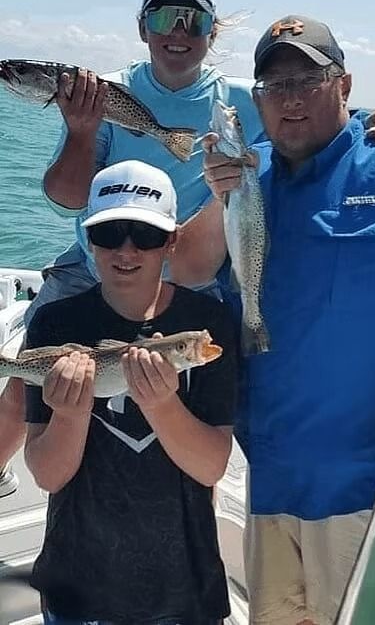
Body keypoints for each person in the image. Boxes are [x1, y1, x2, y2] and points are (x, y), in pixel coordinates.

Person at [0, 0, 375, 490]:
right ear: (143, 26)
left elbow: (320, 114)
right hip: (100, 261)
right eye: (164, 16)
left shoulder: (245, 97)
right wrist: (81, 132)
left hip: (195, 271)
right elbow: (66, 199)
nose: (178, 32)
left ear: (211, 30)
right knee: (21, 379)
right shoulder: (102, 91)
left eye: (192, 21)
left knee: (220, 380)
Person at [171, 13, 375, 625]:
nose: (290, 99)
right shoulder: (247, 173)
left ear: (344, 85)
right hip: (270, 487)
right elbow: (186, 268)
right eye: (273, 87)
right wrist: (220, 197)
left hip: (372, 500)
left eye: (308, 80)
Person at [24, 158, 237, 625]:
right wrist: (70, 414)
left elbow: (211, 466)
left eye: (144, 235)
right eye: (108, 233)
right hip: (76, 580)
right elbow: (47, 476)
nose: (126, 250)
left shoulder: (209, 324)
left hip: (185, 587)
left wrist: (162, 404)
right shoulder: (55, 323)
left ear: (171, 241)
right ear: (87, 237)